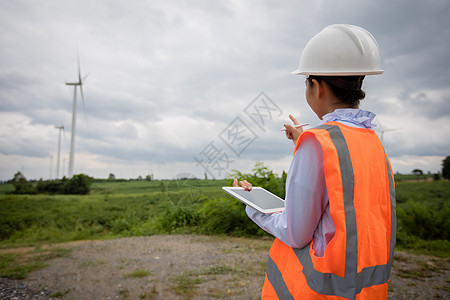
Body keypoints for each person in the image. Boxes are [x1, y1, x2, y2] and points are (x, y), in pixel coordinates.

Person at [233, 24, 396, 299]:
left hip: (318, 292)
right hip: (365, 291)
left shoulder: (317, 142)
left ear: (317, 87)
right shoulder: (372, 140)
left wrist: (254, 209)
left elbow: (295, 233)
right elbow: (341, 198)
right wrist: (303, 143)